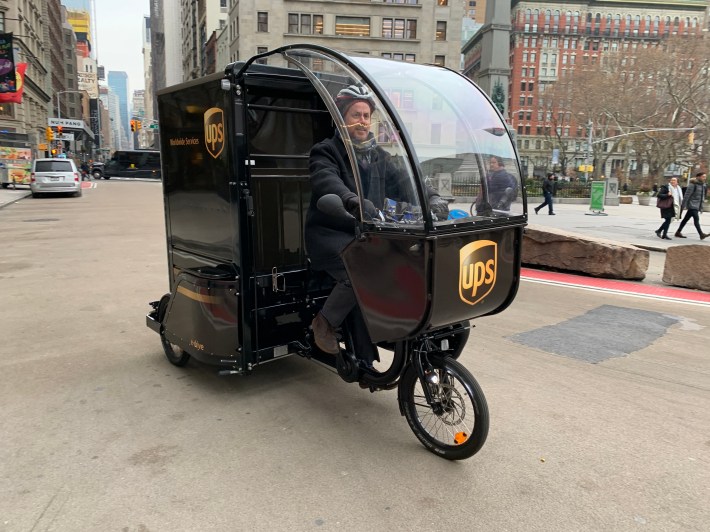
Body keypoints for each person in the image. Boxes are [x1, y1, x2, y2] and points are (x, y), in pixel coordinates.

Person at [305, 84, 449, 359]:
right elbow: (327, 180)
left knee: (403, 264)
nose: (362, 121)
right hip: (332, 233)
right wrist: (351, 200)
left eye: (366, 116)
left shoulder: (378, 155)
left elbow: (407, 181)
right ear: (342, 118)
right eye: (355, 115)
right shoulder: (326, 151)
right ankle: (324, 322)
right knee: (358, 272)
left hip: (368, 233)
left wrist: (431, 198)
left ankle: (390, 325)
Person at [675, 172, 708, 240]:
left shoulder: (703, 185)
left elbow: (702, 196)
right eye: (703, 176)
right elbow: (687, 195)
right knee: (696, 219)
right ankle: (701, 234)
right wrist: (683, 205)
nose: (704, 178)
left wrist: (701, 206)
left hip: (697, 205)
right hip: (692, 204)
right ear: (698, 177)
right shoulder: (693, 184)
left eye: (705, 177)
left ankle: (678, 232)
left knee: (685, 219)